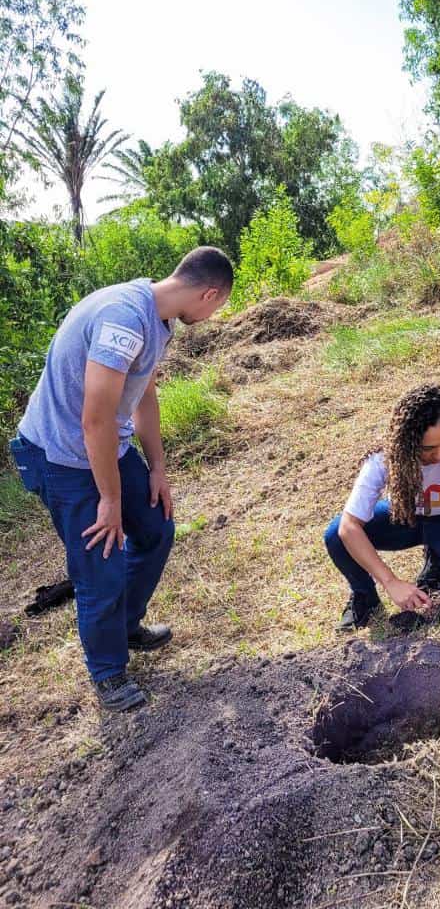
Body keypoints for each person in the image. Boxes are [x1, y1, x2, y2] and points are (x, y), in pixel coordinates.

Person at [9, 247, 233, 711]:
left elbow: (143, 394)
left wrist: (157, 469)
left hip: (106, 445)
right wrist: (109, 499)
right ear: (209, 294)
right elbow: (94, 420)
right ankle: (108, 672)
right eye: (217, 308)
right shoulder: (124, 319)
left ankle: (126, 625)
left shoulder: (159, 317)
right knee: (101, 562)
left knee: (155, 527)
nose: (212, 317)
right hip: (60, 454)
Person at [324, 384, 440, 631]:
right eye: (428, 449)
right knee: (335, 535)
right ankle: (364, 597)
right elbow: (349, 527)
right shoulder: (383, 459)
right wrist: (390, 581)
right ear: (408, 441)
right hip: (406, 518)